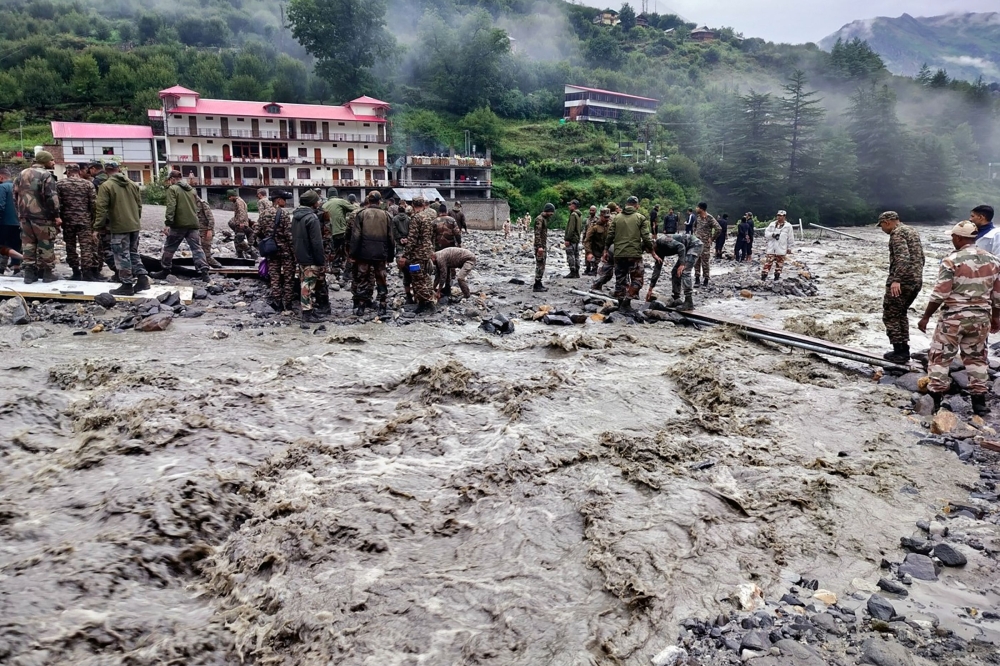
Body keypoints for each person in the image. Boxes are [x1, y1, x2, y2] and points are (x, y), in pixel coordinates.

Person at [917, 221, 1000, 416]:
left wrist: (926, 317)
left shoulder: (951, 260)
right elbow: (997, 295)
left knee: (940, 357)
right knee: (977, 359)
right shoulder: (994, 260)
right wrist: (996, 317)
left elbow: (940, 293)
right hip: (980, 318)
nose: (952, 240)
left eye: (953, 237)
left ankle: (935, 402)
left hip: (953, 318)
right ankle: (979, 404)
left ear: (960, 238)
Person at [93, 162, 148, 296]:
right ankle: (142, 278)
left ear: (106, 171)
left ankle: (127, 285)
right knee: (133, 253)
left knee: (121, 255)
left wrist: (97, 227)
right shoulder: (133, 184)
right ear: (119, 169)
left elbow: (101, 208)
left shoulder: (106, 186)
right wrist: (135, 220)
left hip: (119, 226)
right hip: (134, 225)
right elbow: (139, 206)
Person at [878, 211, 924, 364]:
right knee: (901, 313)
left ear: (888, 222)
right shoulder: (911, 231)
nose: (882, 229)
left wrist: (897, 280)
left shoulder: (897, 234)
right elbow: (921, 257)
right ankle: (904, 349)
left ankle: (899, 351)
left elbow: (903, 257)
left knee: (890, 315)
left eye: (882, 226)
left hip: (902, 282)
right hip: (916, 280)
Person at [150, 171, 210, 281]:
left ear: (173, 178)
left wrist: (168, 223)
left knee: (169, 248)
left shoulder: (173, 189)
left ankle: (165, 270)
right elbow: (197, 207)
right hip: (193, 223)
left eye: (170, 179)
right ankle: (204, 272)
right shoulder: (192, 190)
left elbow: (171, 207)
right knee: (197, 248)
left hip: (179, 224)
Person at [14, 151, 61, 284]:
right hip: (42, 217)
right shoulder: (46, 175)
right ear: (45, 161)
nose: (53, 162)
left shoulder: (21, 174)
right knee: (45, 243)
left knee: (28, 244)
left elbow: (15, 195)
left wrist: (19, 212)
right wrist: (56, 215)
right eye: (51, 160)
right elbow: (51, 198)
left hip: (24, 216)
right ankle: (47, 273)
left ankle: (29, 274)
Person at [347, 191, 394, 316]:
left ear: (368, 201)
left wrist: (353, 254)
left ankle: (361, 306)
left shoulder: (361, 214)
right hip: (381, 253)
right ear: (379, 201)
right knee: (381, 279)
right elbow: (391, 238)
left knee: (363, 279)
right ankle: (382, 305)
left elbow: (355, 236)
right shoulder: (387, 215)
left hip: (364, 253)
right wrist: (390, 256)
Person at [604, 195, 652, 310]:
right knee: (637, 279)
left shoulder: (616, 218)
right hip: (634, 254)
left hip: (619, 253)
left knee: (620, 279)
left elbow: (610, 235)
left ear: (626, 204)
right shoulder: (641, 218)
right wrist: (650, 248)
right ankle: (627, 301)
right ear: (637, 206)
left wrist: (606, 249)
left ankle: (621, 304)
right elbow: (646, 237)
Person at [55, 164, 97, 281]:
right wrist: (94, 219)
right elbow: (93, 204)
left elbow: (57, 204)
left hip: (68, 221)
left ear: (67, 172)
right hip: (85, 220)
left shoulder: (60, 184)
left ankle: (75, 271)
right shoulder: (88, 184)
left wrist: (58, 217)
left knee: (70, 246)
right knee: (86, 247)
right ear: (79, 172)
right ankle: (87, 272)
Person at [256, 190, 296, 312]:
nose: (285, 202)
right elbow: (289, 235)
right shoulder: (283, 214)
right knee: (289, 278)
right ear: (278, 200)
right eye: (284, 199)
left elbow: (257, 232)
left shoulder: (263, 214)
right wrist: (294, 252)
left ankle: (277, 303)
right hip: (285, 251)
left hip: (271, 251)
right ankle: (288, 304)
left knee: (274, 277)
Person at [292, 189, 326, 323]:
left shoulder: (295, 217)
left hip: (300, 255)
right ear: (313, 203)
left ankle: (309, 310)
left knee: (304, 283)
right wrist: (320, 261)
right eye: (317, 200)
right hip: (311, 257)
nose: (319, 202)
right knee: (308, 286)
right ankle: (307, 313)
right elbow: (317, 243)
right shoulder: (312, 218)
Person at [647, 233, 703, 311]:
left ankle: (689, 302)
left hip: (694, 245)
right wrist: (650, 288)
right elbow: (657, 269)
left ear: (653, 245)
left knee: (684, 271)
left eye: (651, 250)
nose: (652, 253)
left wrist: (682, 264)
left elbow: (681, 247)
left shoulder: (663, 241)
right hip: (685, 249)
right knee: (675, 272)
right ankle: (676, 298)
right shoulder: (658, 251)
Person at [407, 196, 437, 314]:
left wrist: (406, 254)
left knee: (417, 279)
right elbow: (431, 236)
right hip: (427, 252)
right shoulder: (429, 217)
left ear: (413, 206)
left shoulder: (416, 218)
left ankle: (427, 303)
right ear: (424, 205)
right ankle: (423, 302)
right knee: (426, 277)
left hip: (417, 253)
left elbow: (412, 239)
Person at [321, 187, 356, 277]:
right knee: (344, 249)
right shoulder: (340, 201)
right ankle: (345, 269)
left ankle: (334, 267)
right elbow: (354, 209)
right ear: (336, 194)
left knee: (333, 250)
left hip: (328, 232)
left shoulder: (324, 205)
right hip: (340, 230)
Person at [692, 202, 721, 286]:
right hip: (697, 243)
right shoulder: (697, 217)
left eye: (697, 207)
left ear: (701, 209)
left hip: (705, 244)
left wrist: (712, 238)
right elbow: (694, 226)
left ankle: (706, 279)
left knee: (705, 261)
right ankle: (697, 279)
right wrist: (695, 234)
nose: (696, 209)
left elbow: (718, 229)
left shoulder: (709, 218)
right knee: (696, 260)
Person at [761, 210, 794, 281]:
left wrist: (790, 247)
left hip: (781, 248)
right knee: (767, 263)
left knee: (779, 265)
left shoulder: (788, 226)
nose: (779, 217)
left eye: (781, 216)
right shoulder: (772, 224)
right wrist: (772, 235)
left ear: (784, 216)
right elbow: (766, 234)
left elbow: (790, 238)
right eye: (778, 215)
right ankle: (763, 277)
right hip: (771, 248)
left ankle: (776, 278)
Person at [0, 168, 20, 275]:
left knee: (2, 245)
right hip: (18, 222)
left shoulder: (2, 187)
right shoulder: (18, 187)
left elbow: (0, 205)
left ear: (1, 177)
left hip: (5, 222)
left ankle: (1, 268)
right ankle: (17, 268)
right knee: (16, 244)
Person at [392, 204, 414, 303]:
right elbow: (411, 230)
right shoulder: (409, 219)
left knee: (399, 256)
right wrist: (407, 238)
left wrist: (399, 239)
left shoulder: (394, 219)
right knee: (409, 258)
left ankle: (401, 270)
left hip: (399, 241)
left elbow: (394, 230)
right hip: (408, 241)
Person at [227, 189, 257, 259]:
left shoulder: (238, 202)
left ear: (233, 196)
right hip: (241, 223)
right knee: (236, 241)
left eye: (230, 197)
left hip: (240, 224)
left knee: (239, 240)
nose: (229, 199)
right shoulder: (240, 201)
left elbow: (241, 212)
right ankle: (240, 256)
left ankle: (252, 253)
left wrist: (241, 222)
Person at [195, 194, 223, 268]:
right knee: (199, 251)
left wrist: (209, 230)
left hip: (205, 231)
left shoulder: (202, 203)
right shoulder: (190, 204)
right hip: (198, 231)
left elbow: (211, 218)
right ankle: (202, 266)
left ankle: (217, 266)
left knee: (206, 252)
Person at [533, 203, 555, 292]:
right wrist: (539, 247)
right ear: (547, 210)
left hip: (542, 245)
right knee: (540, 264)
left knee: (542, 264)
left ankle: (539, 282)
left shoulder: (544, 219)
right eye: (551, 212)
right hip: (540, 246)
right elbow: (537, 233)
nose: (552, 214)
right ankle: (537, 284)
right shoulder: (540, 219)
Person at [584, 207, 611, 277]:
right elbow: (587, 240)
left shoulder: (610, 226)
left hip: (606, 251)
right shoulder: (594, 227)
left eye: (608, 217)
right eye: (605, 217)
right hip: (596, 252)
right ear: (601, 216)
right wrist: (589, 252)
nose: (607, 219)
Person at [564, 199, 583, 278]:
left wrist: (567, 239)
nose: (569, 206)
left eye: (570, 205)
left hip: (572, 239)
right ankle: (577, 272)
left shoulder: (573, 215)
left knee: (570, 255)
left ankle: (572, 272)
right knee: (576, 255)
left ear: (574, 205)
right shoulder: (579, 215)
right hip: (576, 238)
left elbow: (571, 228)